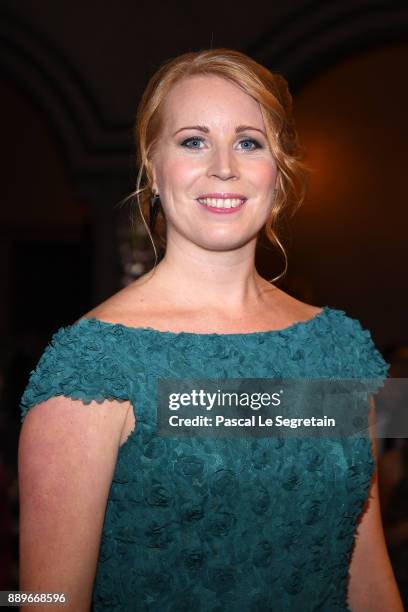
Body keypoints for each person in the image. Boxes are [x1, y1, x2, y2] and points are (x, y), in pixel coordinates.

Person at [18, 48, 403, 611]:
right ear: (153, 166)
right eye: (193, 140)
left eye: (249, 141)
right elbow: (43, 600)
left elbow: (366, 569)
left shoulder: (338, 348)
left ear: (280, 168)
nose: (224, 165)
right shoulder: (94, 364)